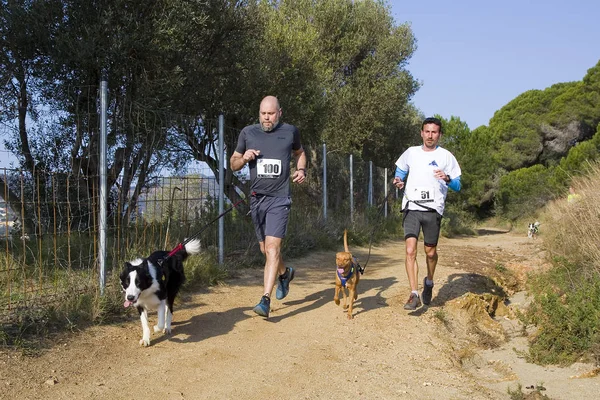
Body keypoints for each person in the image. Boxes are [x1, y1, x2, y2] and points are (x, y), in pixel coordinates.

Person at [230, 95, 307, 318]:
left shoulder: (290, 131)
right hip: (257, 199)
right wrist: (244, 158)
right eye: (263, 114)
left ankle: (265, 299)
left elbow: (300, 153)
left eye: (271, 114)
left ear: (279, 113)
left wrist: (301, 170)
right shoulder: (248, 132)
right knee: (265, 250)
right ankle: (285, 273)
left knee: (273, 248)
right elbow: (233, 164)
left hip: (280, 198)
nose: (266, 118)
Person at [392, 117, 462, 310]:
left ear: (439, 135)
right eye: (427, 131)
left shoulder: (447, 157)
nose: (430, 135)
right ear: (421, 133)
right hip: (412, 207)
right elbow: (400, 172)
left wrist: (447, 178)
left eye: (434, 132)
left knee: (430, 253)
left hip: (433, 210)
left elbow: (458, 185)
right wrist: (398, 180)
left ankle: (429, 281)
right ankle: (414, 294)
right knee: (410, 250)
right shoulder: (411, 153)